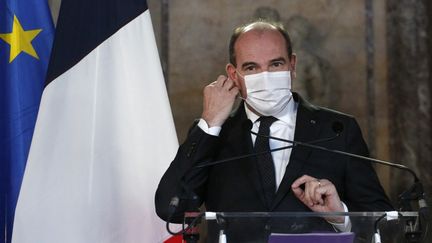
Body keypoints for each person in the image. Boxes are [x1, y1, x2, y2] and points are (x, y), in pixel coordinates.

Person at [155, 20, 393, 242]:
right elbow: (170, 208)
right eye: (251, 67)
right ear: (233, 75)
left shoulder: (337, 130)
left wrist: (340, 215)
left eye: (276, 64)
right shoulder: (215, 134)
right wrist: (209, 123)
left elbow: (386, 223)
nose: (265, 77)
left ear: (292, 65)